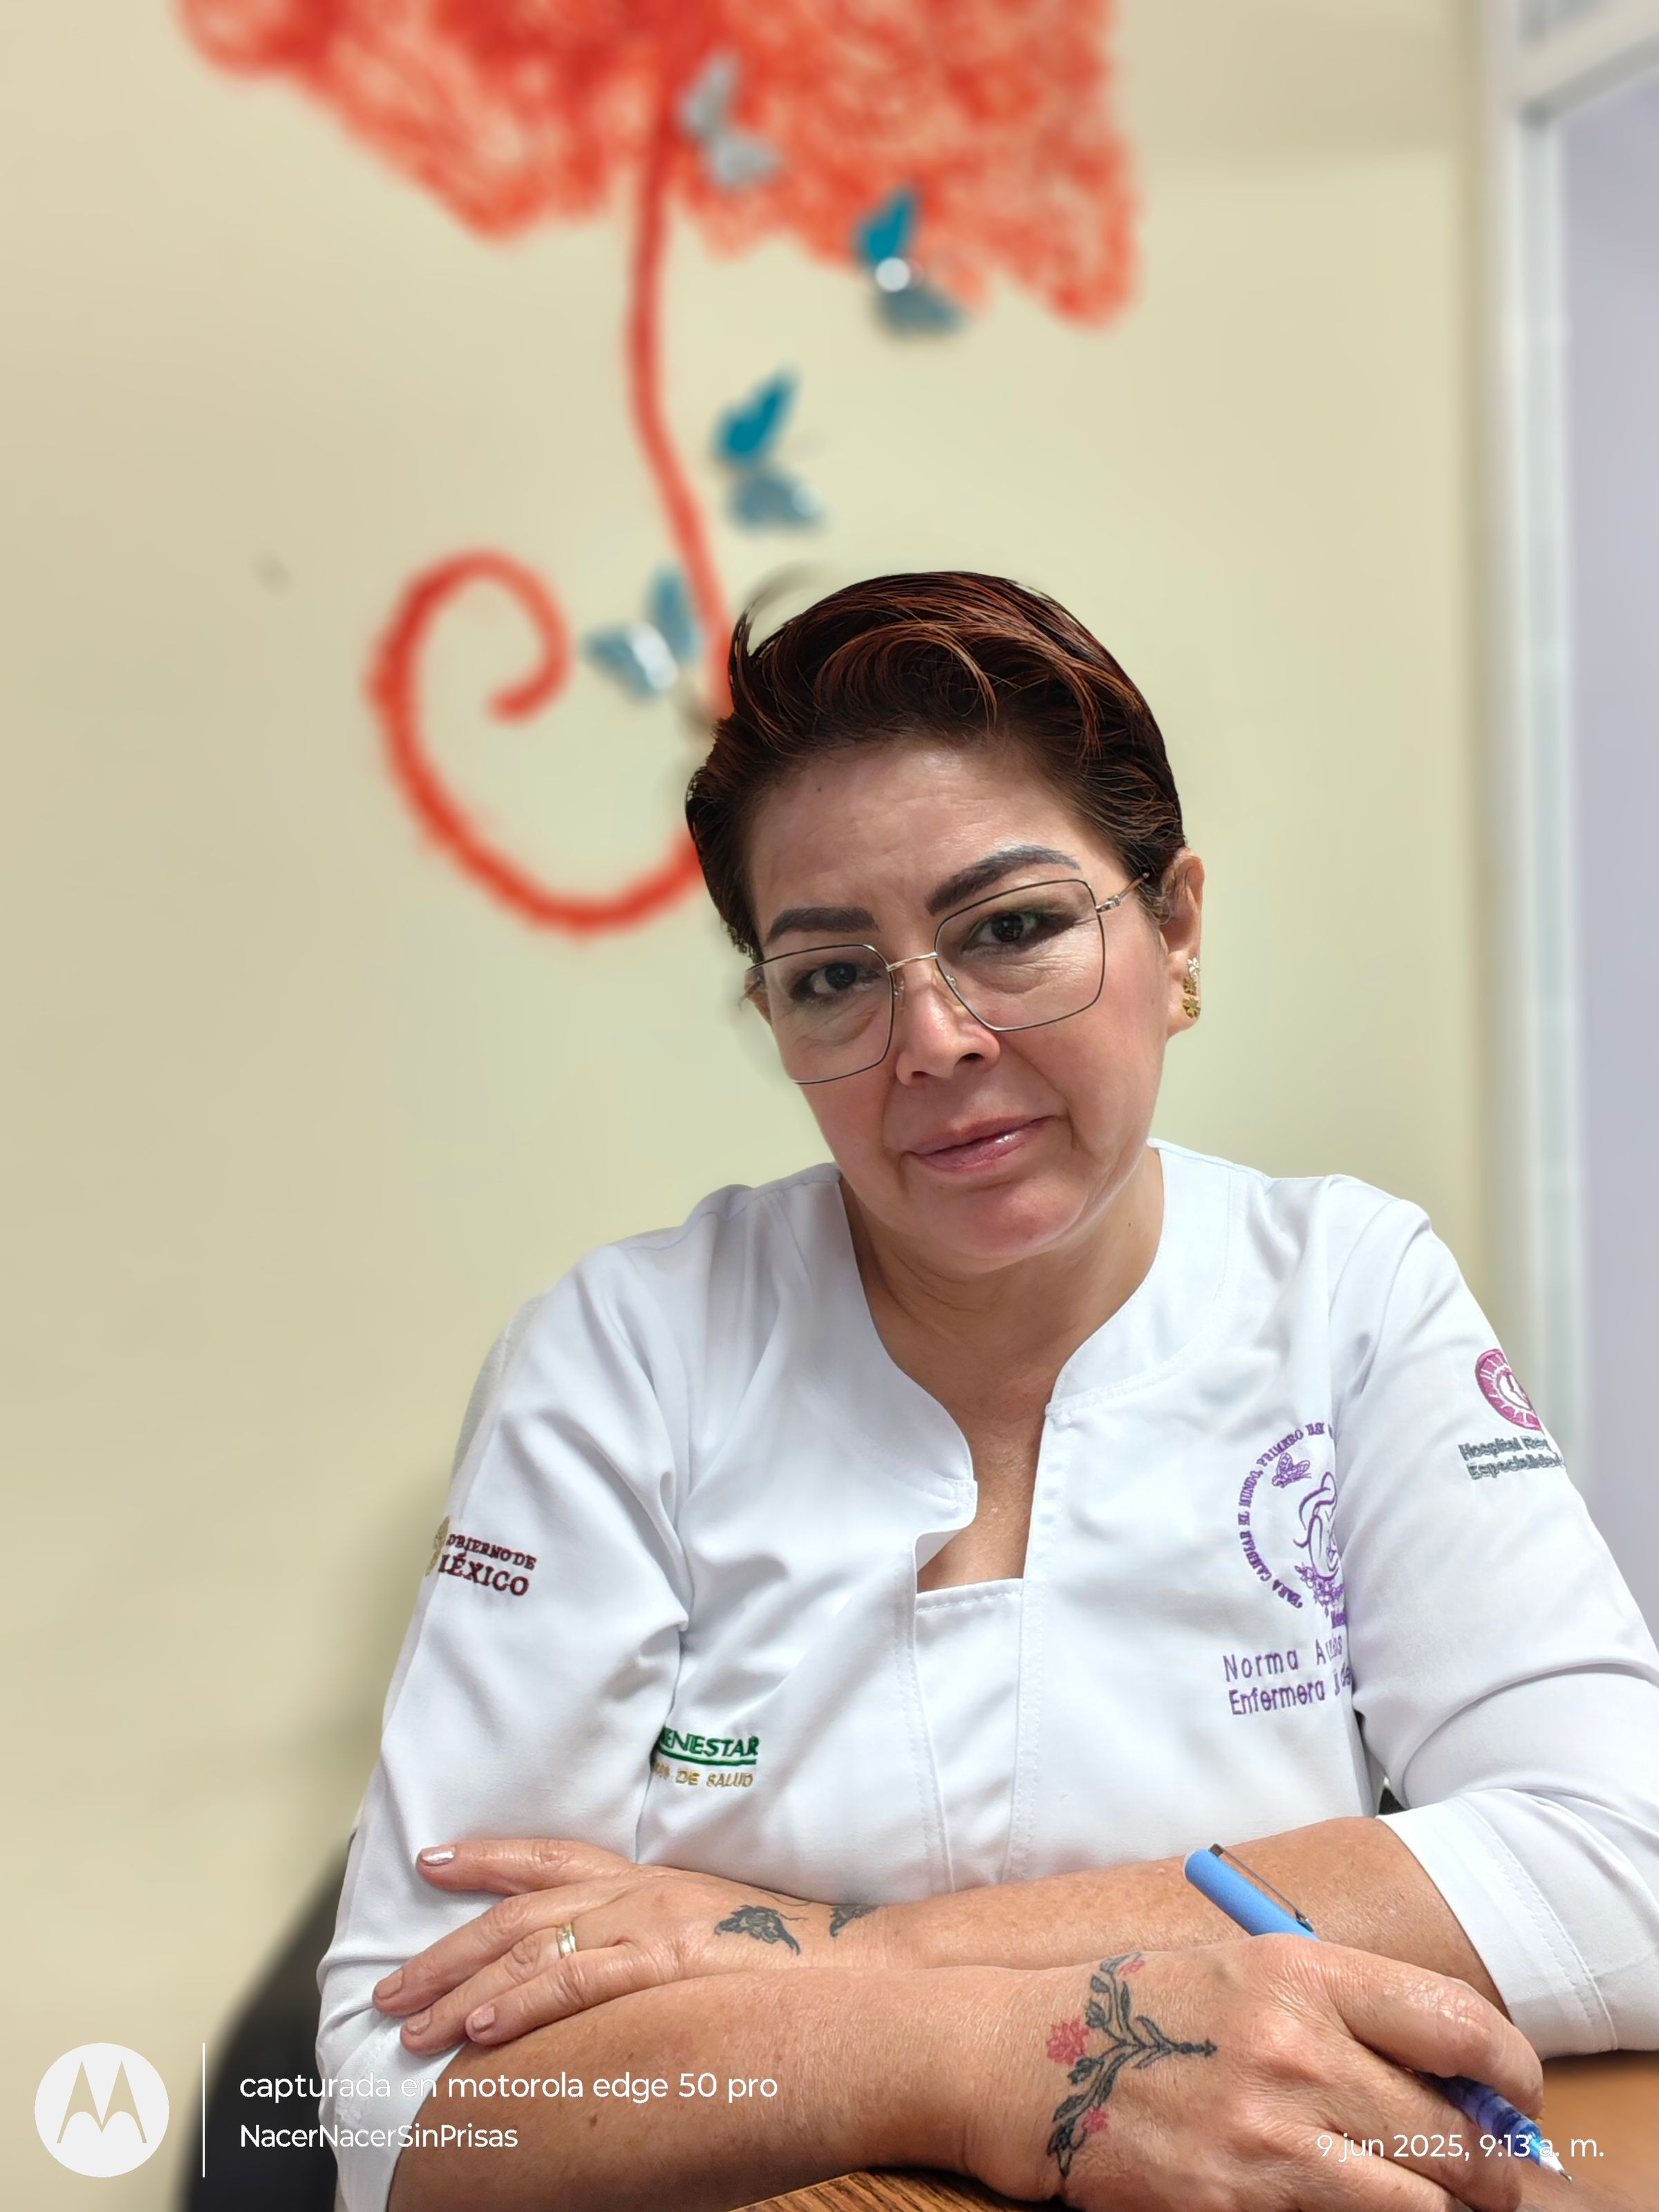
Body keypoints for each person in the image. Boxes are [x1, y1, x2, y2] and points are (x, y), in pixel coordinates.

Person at [318, 573, 1659, 2212]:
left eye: (1013, 928)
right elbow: (402, 2105)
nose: (935, 1039)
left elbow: (1629, 1864)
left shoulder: (1345, 1292)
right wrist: (988, 2059)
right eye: (834, 974)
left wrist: (846, 1952)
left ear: (1174, 930)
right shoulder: (625, 1357)